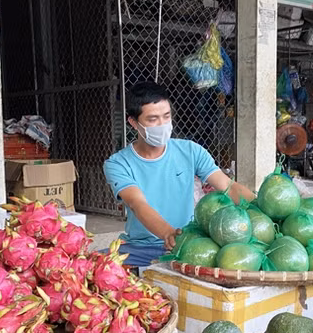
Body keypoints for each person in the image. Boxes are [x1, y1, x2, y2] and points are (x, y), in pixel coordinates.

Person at [103, 81, 255, 267]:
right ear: (134, 123)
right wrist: (168, 234)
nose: (162, 124)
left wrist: (260, 208)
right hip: (140, 248)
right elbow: (137, 203)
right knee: (91, 264)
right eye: (152, 119)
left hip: (189, 243)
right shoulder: (118, 163)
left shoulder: (191, 151)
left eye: (166, 116)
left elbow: (228, 186)